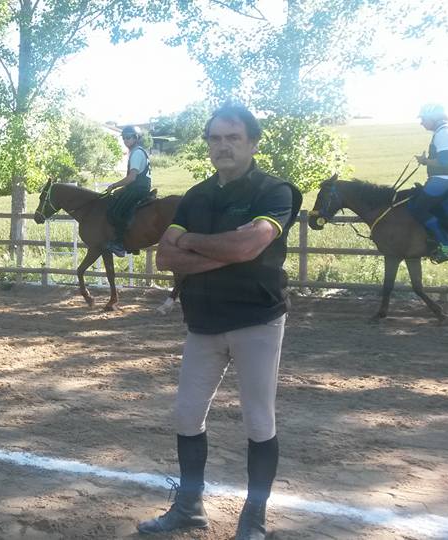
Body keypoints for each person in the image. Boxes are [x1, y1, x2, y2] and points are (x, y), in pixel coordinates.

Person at [141, 104, 301, 540]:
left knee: (258, 421)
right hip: (203, 322)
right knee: (186, 416)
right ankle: (189, 507)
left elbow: (249, 245)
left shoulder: (275, 191)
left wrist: (194, 243)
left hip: (256, 320)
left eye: (233, 137)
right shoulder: (196, 196)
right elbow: (165, 257)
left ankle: (254, 518)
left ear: (253, 143)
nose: (223, 146)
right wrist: (230, 251)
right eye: (215, 138)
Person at [409, 103, 448, 263]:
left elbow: (444, 161)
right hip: (443, 179)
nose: (421, 122)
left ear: (434, 118)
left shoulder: (443, 134)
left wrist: (425, 161)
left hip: (442, 180)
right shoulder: (445, 131)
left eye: (423, 119)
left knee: (418, 209)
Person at [105, 125, 152, 257]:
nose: (125, 140)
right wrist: (121, 189)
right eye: (124, 138)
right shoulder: (138, 151)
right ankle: (132, 243)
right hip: (139, 187)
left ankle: (120, 244)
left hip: (138, 189)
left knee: (115, 212)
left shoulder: (136, 153)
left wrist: (114, 185)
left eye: (128, 137)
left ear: (136, 138)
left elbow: (132, 178)